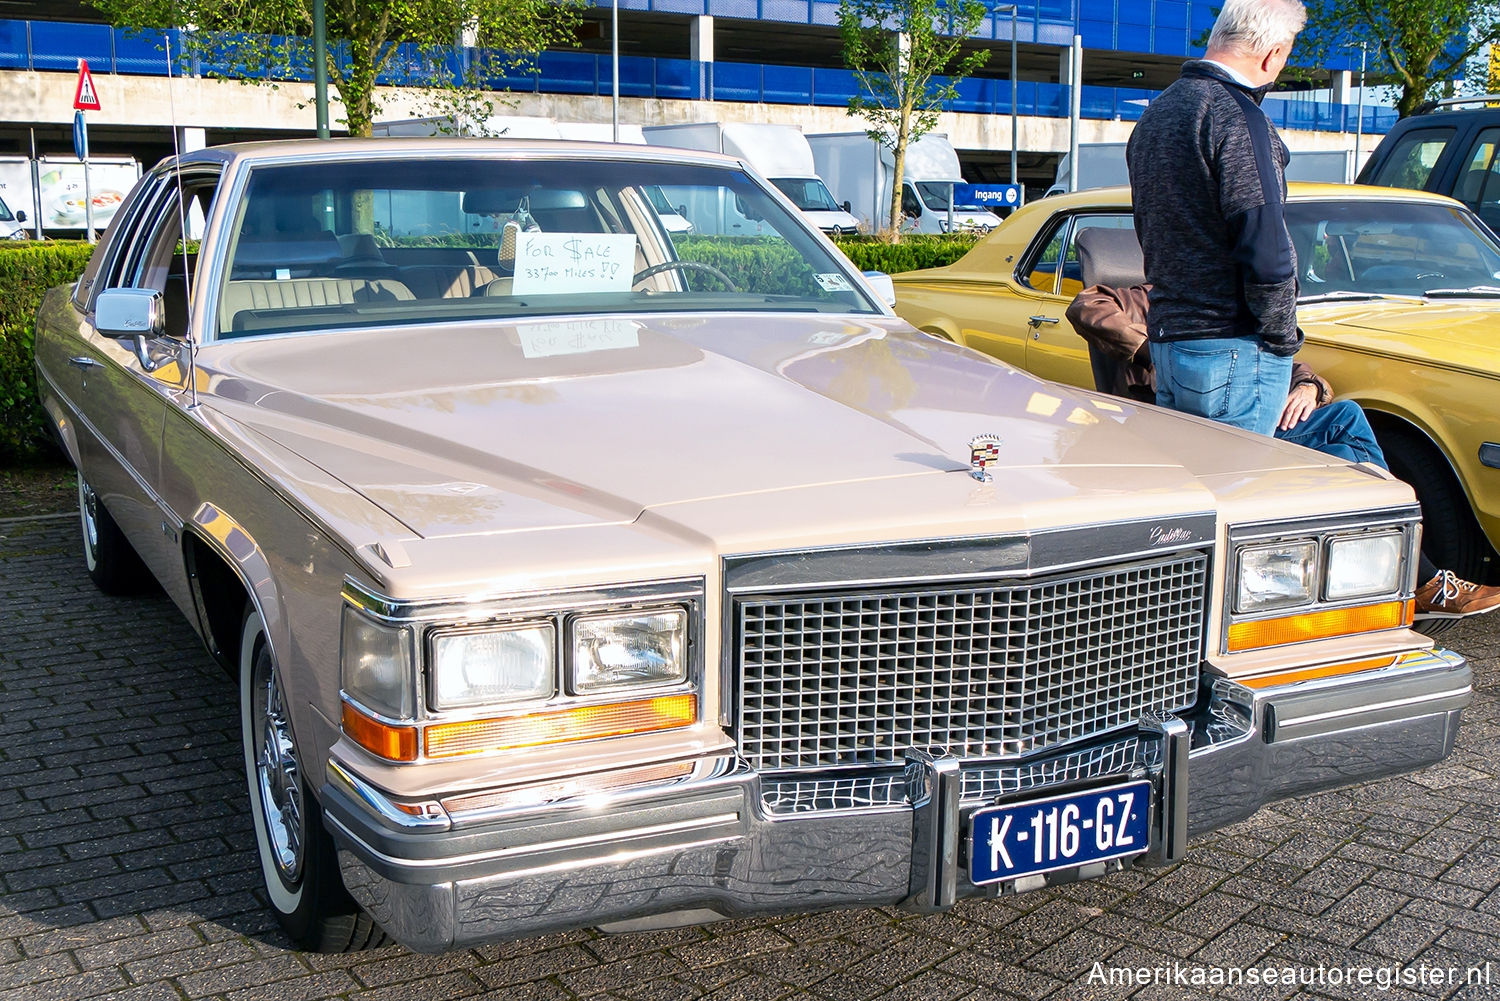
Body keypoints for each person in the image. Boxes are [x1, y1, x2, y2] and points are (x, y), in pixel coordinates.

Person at [1066, 281, 1500, 620]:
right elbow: (1085, 306)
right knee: (1348, 463)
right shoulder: (1143, 298)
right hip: (1191, 430)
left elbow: (1274, 362)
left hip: (1254, 417)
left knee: (1346, 415)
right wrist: (1153, 350)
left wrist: (1310, 387)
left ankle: (1397, 541)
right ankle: (1418, 575)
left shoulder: (1229, 305)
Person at [1126, 0, 1306, 436]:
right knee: (1241, 493)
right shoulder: (1240, 119)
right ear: (1274, 54)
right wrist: (1283, 340)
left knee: (1198, 490)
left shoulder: (1156, 114)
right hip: (1233, 348)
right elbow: (1266, 252)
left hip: (1171, 338)